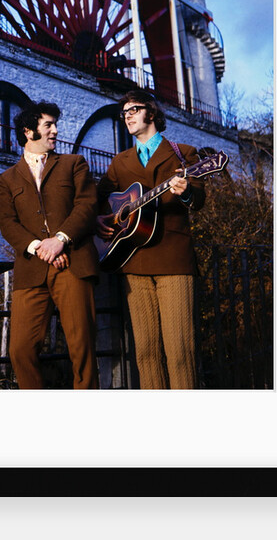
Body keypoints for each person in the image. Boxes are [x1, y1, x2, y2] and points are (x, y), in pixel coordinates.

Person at [97, 89, 206, 390]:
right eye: (124, 113)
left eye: (133, 109)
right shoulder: (120, 162)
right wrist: (102, 222)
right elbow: (101, 201)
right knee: (144, 353)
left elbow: (199, 199)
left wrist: (186, 193)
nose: (127, 116)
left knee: (180, 352)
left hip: (173, 258)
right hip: (133, 260)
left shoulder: (183, 152)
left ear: (152, 113)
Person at [0, 101, 100, 389]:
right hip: (32, 269)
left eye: (55, 124)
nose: (55, 130)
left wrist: (60, 240)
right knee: (20, 349)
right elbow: (7, 222)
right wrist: (41, 247)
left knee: (82, 347)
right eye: (48, 125)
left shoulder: (73, 164)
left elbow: (87, 205)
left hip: (73, 264)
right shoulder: (6, 179)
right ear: (28, 131)